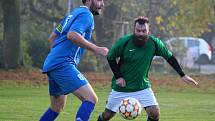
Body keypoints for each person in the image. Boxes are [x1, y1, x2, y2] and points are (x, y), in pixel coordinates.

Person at [97, 16, 198, 121]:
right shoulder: (124, 42)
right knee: (107, 116)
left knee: (155, 113)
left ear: (148, 30)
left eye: (144, 31)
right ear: (134, 30)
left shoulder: (154, 43)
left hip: (142, 86)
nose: (141, 33)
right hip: (121, 88)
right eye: (138, 30)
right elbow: (110, 57)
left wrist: (182, 75)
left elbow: (169, 57)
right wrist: (118, 77)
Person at [39, 0, 108, 121]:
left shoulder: (72, 14)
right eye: (100, 0)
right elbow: (72, 35)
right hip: (62, 64)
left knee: (57, 107)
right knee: (91, 99)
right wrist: (97, 49)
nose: (102, 4)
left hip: (53, 63)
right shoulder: (87, 15)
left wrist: (56, 56)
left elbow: (52, 38)